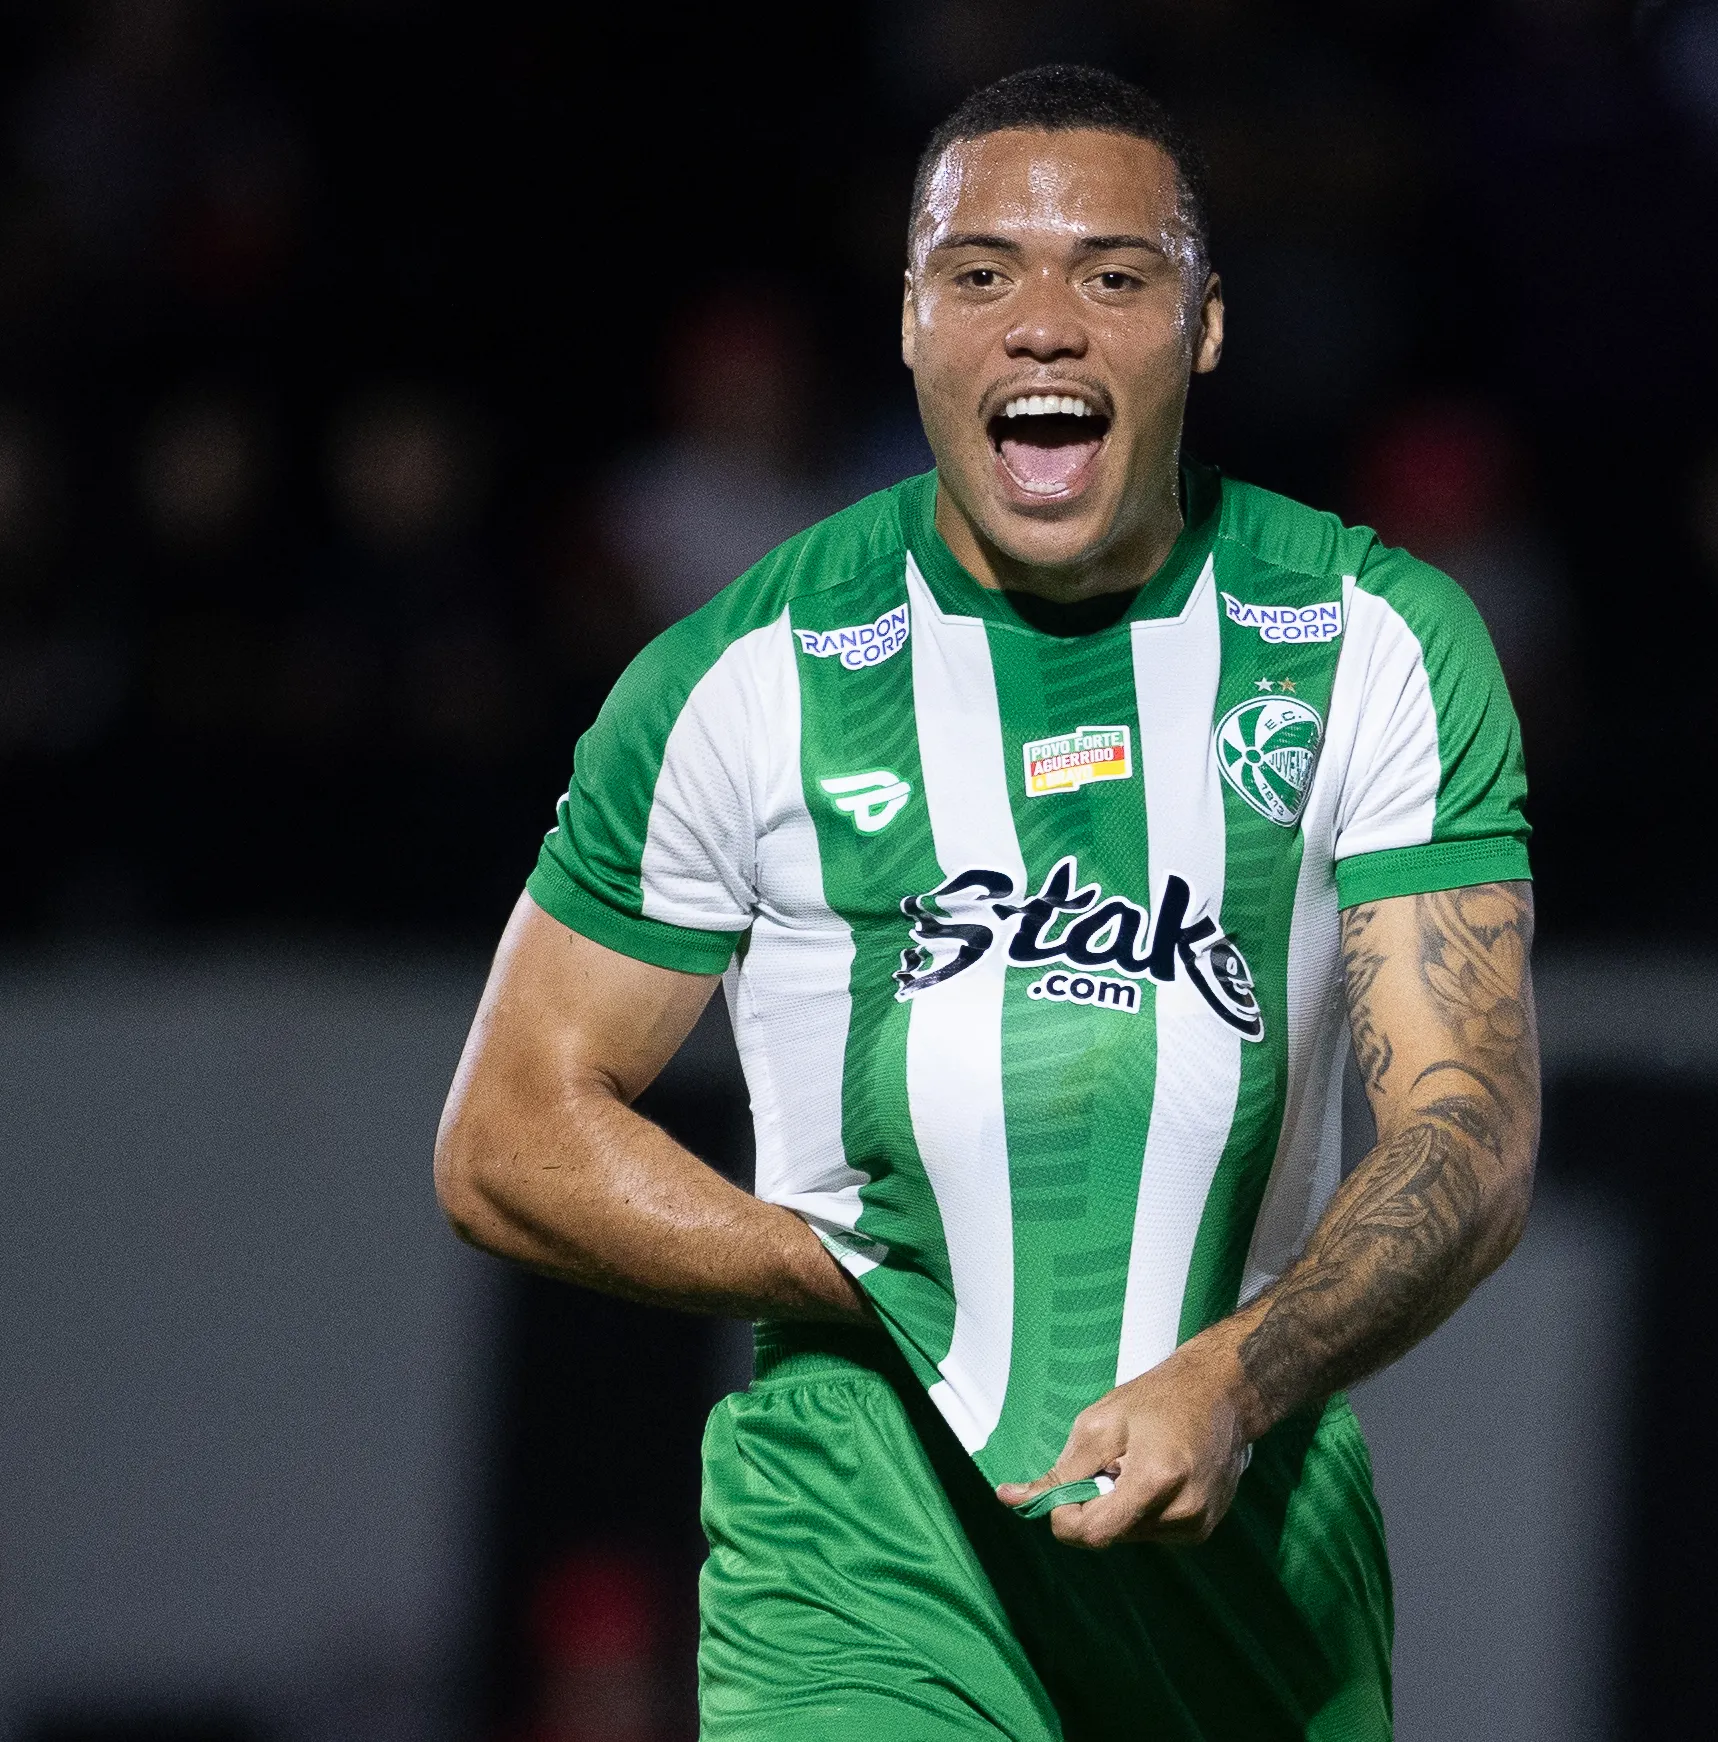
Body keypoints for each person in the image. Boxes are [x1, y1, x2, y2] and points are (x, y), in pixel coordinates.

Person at [436, 65, 1540, 1741]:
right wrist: (847, 1273)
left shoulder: (1375, 644)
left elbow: (1469, 1127)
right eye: (980, 274)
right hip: (861, 1530)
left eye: (1114, 274)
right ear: (905, 321)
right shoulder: (747, 676)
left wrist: (1236, 1377)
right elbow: (507, 1131)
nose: (1044, 325)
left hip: (1251, 1533)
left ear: (1209, 327)